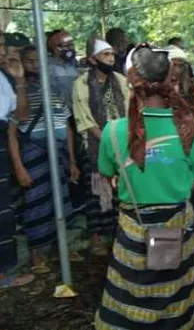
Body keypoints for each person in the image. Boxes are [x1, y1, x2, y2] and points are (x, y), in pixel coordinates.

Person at [94, 44, 194, 330]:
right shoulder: (189, 128)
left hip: (134, 229)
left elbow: (106, 173)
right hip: (177, 226)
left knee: (133, 291)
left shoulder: (113, 131)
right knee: (173, 289)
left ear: (131, 80)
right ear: (171, 80)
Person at [7, 45, 80, 273]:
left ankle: (61, 249)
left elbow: (67, 127)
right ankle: (36, 254)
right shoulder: (18, 90)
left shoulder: (55, 88)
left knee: (60, 201)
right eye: (29, 61)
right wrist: (19, 167)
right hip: (33, 152)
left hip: (57, 151)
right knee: (36, 204)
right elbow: (12, 132)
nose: (35, 66)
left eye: (38, 61)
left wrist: (72, 160)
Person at [72, 37, 129, 255]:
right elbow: (85, 119)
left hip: (122, 144)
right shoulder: (82, 84)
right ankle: (97, 238)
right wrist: (108, 140)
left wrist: (120, 141)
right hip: (96, 145)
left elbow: (130, 108)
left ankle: (119, 235)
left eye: (112, 54)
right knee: (96, 194)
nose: (111, 58)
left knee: (119, 194)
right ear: (92, 59)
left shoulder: (121, 81)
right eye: (106, 55)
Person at [0, 29, 34, 289]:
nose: (3, 52)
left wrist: (19, 79)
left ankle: (3, 275)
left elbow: (21, 115)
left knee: (3, 212)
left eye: (3, 46)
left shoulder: (3, 77)